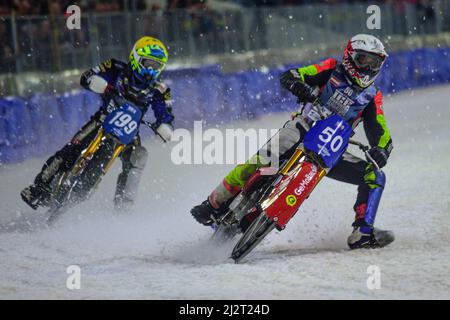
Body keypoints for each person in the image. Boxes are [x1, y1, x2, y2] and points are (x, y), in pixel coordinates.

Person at [191, 34, 395, 249]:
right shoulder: (331, 68)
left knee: (375, 175)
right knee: (262, 159)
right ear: (350, 56)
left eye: (374, 62)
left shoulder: (372, 96)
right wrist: (297, 84)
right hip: (303, 128)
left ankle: (362, 232)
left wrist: (382, 149)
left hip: (332, 150)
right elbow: (294, 74)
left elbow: (379, 127)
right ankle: (214, 203)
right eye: (364, 60)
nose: (368, 67)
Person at [21, 36, 174, 211]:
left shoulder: (160, 90)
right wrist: (96, 83)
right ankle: (39, 188)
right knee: (69, 151)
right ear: (136, 58)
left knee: (138, 157)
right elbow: (87, 76)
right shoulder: (116, 67)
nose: (151, 70)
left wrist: (166, 127)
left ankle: (123, 206)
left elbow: (166, 115)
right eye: (148, 63)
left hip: (129, 132)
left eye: (156, 66)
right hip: (102, 120)